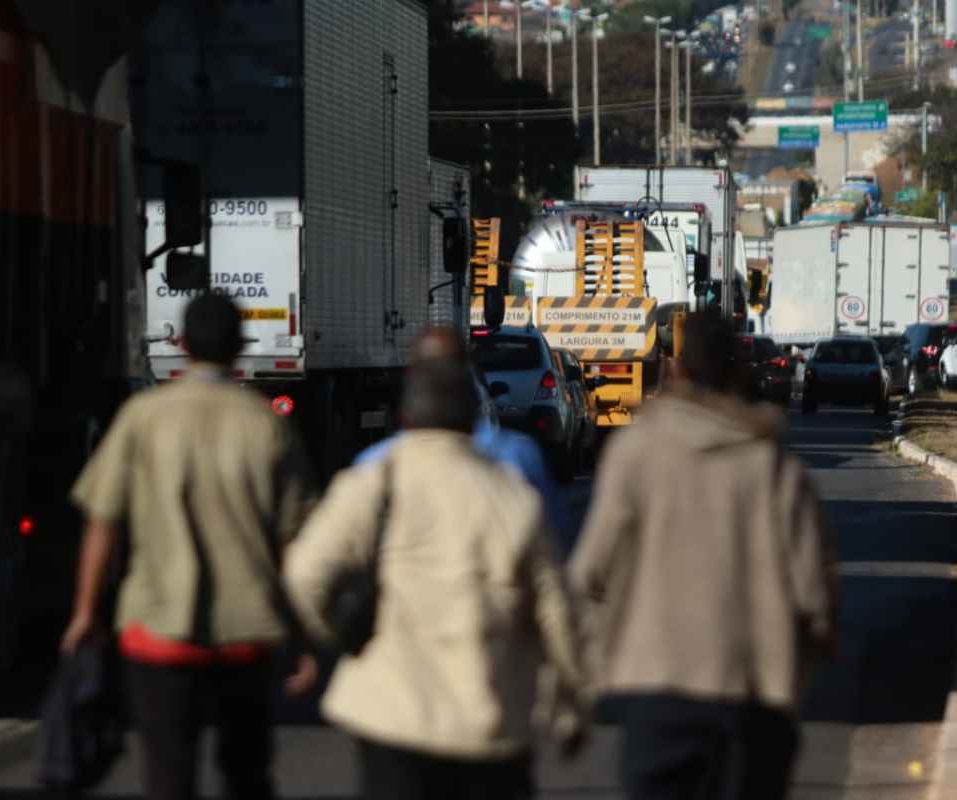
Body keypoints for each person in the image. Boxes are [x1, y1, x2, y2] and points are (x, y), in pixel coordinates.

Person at [283, 356, 588, 800]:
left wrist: (338, 640)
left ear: (402, 416)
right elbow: (557, 611)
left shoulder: (371, 482)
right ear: (474, 418)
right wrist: (571, 706)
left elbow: (304, 573)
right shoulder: (511, 497)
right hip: (488, 719)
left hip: (389, 716)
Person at [570, 307, 838, 800]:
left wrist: (586, 674)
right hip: (752, 697)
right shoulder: (772, 464)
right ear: (735, 371)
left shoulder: (635, 454)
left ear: (677, 371)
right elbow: (814, 595)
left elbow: (590, 572)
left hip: (656, 695)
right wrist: (796, 671)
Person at [61, 292, 317, 800]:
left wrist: (86, 612)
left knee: (167, 778)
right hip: (247, 634)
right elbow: (294, 542)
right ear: (240, 347)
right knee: (247, 776)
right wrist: (303, 635)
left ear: (181, 343)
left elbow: (103, 519)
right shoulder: (267, 424)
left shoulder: (143, 417)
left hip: (158, 629)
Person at [354, 327, 571, 549]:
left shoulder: (375, 464)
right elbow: (550, 550)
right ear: (470, 385)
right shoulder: (516, 458)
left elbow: (325, 557)